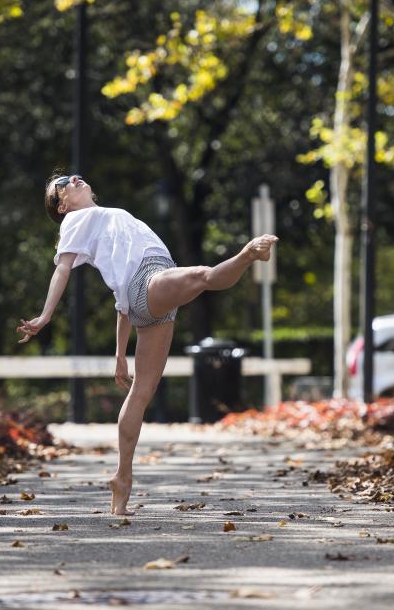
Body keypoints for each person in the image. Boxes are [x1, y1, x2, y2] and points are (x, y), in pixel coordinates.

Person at [16, 173, 277, 515]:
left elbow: (121, 300)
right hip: (150, 281)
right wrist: (45, 316)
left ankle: (122, 480)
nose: (74, 178)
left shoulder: (100, 220)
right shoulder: (76, 220)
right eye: (63, 182)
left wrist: (120, 355)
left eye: (74, 175)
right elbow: (62, 270)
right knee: (204, 276)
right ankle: (247, 253)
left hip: (146, 301)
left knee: (140, 392)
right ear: (62, 205)